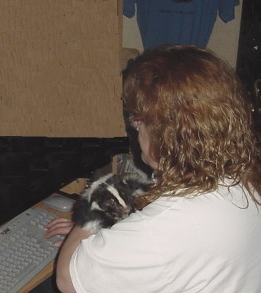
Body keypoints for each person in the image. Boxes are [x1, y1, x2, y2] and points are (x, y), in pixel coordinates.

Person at [45, 45, 261, 292]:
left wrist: (90, 219)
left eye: (138, 120)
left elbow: (67, 279)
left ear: (165, 134)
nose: (135, 126)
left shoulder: (162, 230)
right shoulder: (243, 176)